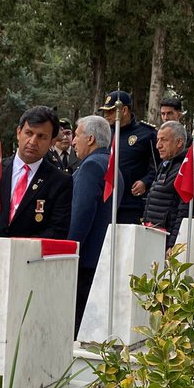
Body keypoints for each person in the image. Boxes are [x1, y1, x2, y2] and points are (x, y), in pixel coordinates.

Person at [0, 106, 72, 249]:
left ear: (52, 142)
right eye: (28, 133)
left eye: (41, 136)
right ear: (19, 132)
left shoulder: (60, 182)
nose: (33, 141)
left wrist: (18, 253)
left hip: (30, 260)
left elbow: (58, 230)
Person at [68, 115, 122, 336]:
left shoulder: (90, 166)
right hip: (100, 256)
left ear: (90, 139)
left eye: (76, 135)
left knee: (76, 325)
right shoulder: (112, 165)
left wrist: (68, 250)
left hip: (84, 259)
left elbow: (80, 214)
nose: (73, 141)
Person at [143, 121, 194, 250]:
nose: (158, 146)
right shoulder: (166, 165)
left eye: (164, 140)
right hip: (154, 239)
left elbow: (187, 212)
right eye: (158, 140)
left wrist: (173, 246)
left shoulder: (189, 168)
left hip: (168, 244)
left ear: (179, 142)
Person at [99, 90, 157, 225]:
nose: (106, 116)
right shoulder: (107, 134)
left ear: (124, 110)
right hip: (107, 202)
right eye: (105, 112)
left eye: (110, 111)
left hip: (132, 205)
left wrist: (145, 182)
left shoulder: (146, 134)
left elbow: (158, 167)